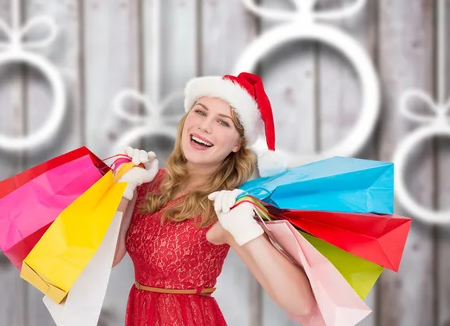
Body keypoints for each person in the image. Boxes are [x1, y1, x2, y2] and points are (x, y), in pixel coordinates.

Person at [112, 72, 316, 325]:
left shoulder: (226, 207)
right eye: (200, 112)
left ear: (237, 144)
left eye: (223, 123)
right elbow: (110, 258)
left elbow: (302, 304)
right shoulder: (147, 182)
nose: (204, 126)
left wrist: (246, 230)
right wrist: (122, 190)